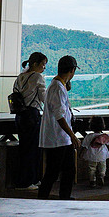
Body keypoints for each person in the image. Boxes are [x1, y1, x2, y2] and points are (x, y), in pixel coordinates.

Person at [38, 55, 82, 200]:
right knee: (53, 172)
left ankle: (64, 197)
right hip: (58, 139)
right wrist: (72, 135)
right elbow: (59, 116)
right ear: (72, 70)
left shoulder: (57, 85)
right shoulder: (57, 87)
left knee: (67, 170)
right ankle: (43, 198)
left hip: (61, 139)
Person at [12, 52, 47, 190]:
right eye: (43, 64)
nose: (44, 67)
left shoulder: (20, 77)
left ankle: (27, 179)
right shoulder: (38, 77)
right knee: (32, 148)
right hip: (32, 115)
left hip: (20, 115)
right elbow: (44, 97)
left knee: (24, 148)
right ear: (35, 64)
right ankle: (28, 181)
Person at [81, 116, 109, 187]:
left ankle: (92, 181)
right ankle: (101, 175)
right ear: (103, 125)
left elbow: (85, 146)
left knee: (92, 168)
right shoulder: (106, 136)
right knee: (103, 167)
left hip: (91, 155)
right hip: (102, 155)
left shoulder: (89, 136)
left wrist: (81, 154)